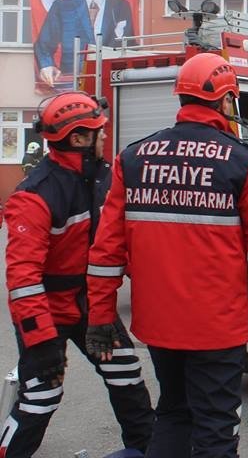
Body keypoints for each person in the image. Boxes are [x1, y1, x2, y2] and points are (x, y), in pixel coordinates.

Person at [86, 53, 248, 458]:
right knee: (215, 428)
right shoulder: (243, 163)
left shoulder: (133, 158)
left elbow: (106, 250)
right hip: (216, 327)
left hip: (160, 323)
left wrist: (100, 314)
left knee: (173, 412)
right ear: (224, 100)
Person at [2, 92, 153, 457]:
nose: (105, 137)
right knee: (41, 396)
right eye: (99, 132)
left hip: (92, 306)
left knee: (127, 379)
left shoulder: (104, 178)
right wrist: (39, 343)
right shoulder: (35, 196)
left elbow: (121, 244)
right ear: (78, 138)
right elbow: (23, 279)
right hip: (49, 313)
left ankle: (147, 450)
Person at [35, 0, 137, 86]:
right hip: (73, 82)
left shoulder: (120, 6)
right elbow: (43, 44)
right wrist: (47, 65)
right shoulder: (62, 6)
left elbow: (128, 44)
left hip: (110, 81)